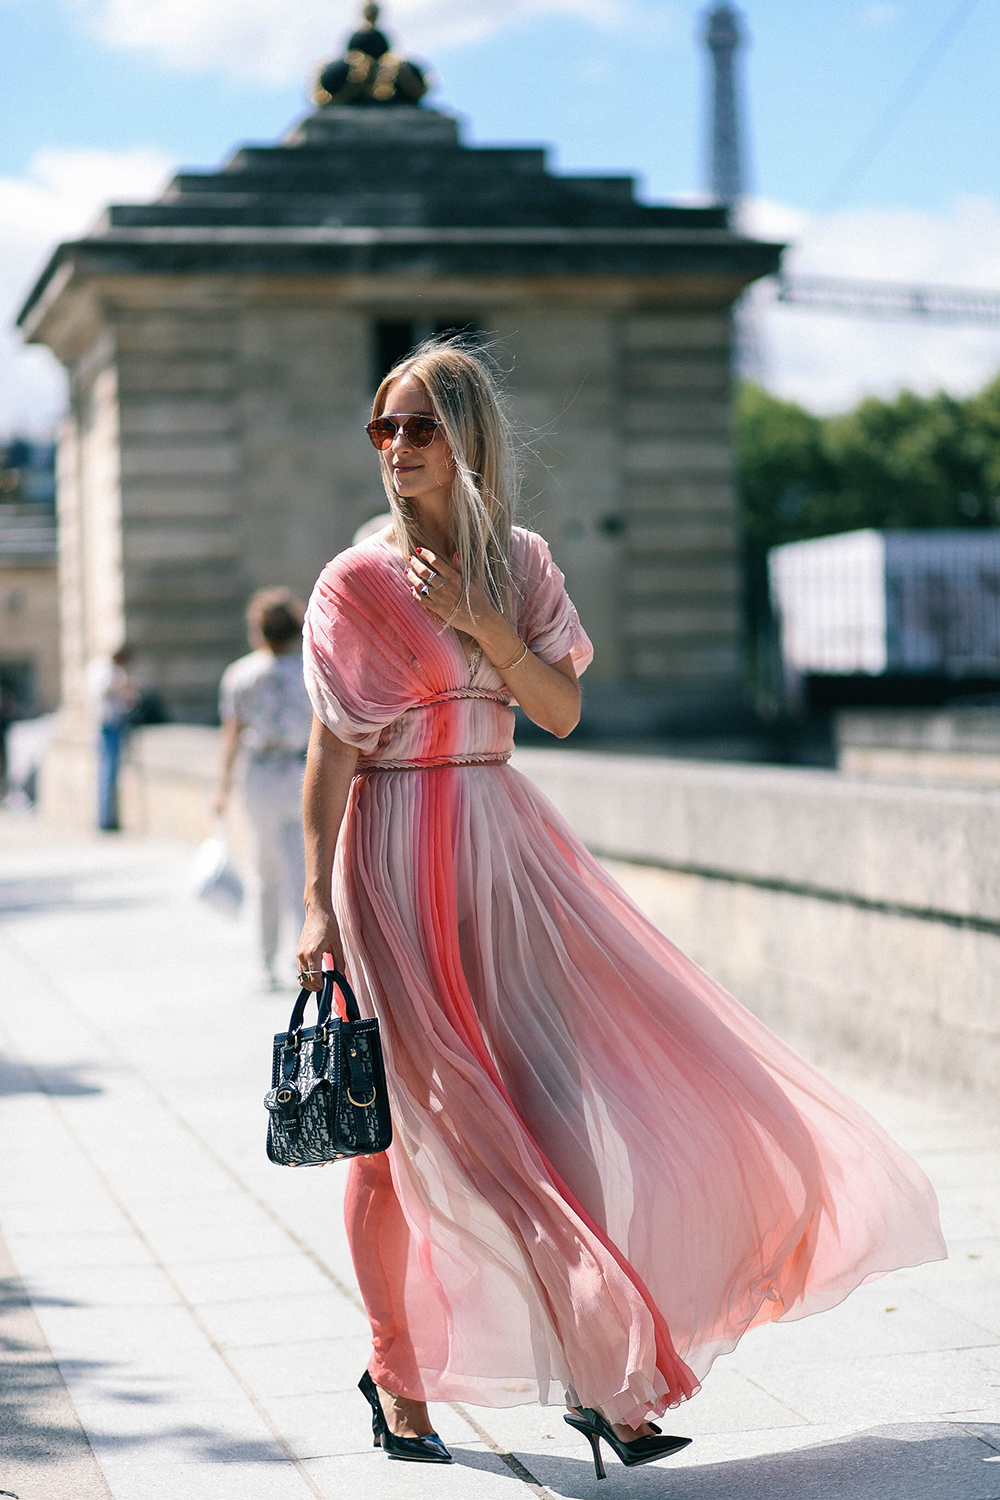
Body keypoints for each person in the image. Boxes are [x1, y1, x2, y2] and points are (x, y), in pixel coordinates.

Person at [296, 341, 946, 1477]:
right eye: (380, 429)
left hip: (503, 851)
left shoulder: (526, 566)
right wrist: (314, 902)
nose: (394, 450)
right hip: (391, 862)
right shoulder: (352, 583)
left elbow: (556, 709)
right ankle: (396, 1376)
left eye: (416, 428)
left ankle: (609, 1375)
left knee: (554, 1102)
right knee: (392, 1138)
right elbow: (327, 760)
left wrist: (481, 622)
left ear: (467, 438)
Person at [216, 589, 313, 991]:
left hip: (258, 775)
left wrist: (222, 787)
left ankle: (265, 960)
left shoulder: (240, 674)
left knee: (263, 868)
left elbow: (231, 735)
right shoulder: (311, 669)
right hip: (300, 769)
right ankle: (302, 956)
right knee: (302, 870)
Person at [86, 646, 139, 831]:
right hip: (109, 724)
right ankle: (105, 820)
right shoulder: (103, 669)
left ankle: (106, 818)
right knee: (108, 770)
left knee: (107, 770)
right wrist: (123, 687)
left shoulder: (102, 667)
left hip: (110, 723)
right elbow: (104, 690)